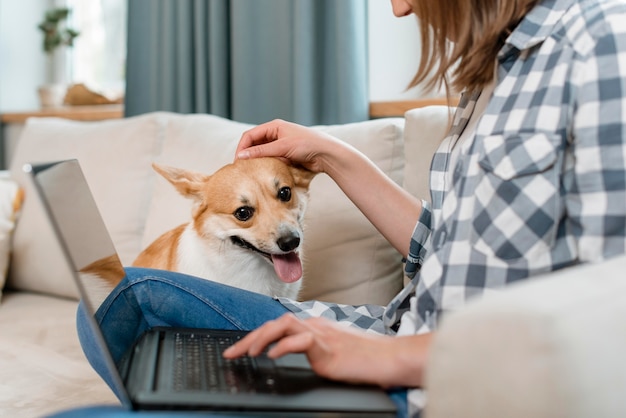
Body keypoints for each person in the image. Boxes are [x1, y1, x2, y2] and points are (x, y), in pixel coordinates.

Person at [73, 0, 626, 417]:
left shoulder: (600, 42)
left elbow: (611, 311)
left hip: (433, 381)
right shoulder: (491, 74)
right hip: (387, 331)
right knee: (116, 298)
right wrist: (330, 154)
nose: (398, 6)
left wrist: (386, 360)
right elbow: (447, 247)